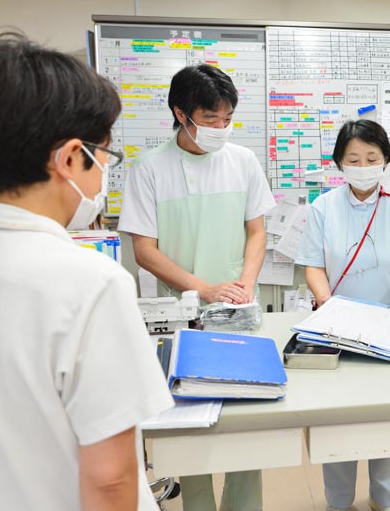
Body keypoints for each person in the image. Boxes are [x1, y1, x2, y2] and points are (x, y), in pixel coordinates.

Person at [0, 33, 173, 511]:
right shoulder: (89, 281)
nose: (105, 169)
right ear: (71, 158)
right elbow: (110, 480)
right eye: (105, 154)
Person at [118, 63, 275, 511]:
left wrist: (244, 284)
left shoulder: (242, 161)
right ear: (181, 114)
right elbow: (145, 251)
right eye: (211, 119)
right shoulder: (149, 169)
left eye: (228, 119)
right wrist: (205, 289)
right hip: (180, 315)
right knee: (191, 428)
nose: (221, 128)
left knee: (248, 423)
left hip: (239, 312)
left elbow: (257, 231)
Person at [295, 119, 390, 511]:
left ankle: (385, 497)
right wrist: (327, 302)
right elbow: (313, 264)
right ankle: (338, 500)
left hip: (387, 325)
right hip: (335, 327)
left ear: (385, 159)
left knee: (386, 414)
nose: (363, 164)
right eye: (353, 158)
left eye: (372, 157)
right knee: (337, 417)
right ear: (340, 163)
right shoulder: (323, 208)